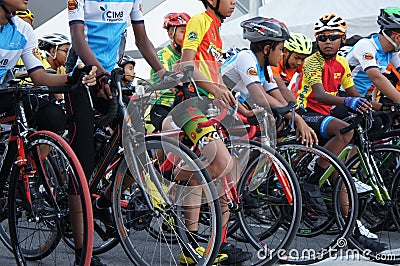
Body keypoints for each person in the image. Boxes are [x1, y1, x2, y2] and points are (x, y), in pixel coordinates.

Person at [67, 1, 169, 264]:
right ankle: (82, 251)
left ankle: (104, 202)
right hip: (82, 77)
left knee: (137, 145)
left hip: (110, 77)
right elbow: (78, 40)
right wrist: (98, 74)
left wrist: (165, 74)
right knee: (83, 162)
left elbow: (143, 40)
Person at [0, 1, 97, 265]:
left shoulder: (22, 29)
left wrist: (74, 78)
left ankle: (20, 175)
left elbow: (40, 77)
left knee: (52, 115)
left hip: (3, 93)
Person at [295, 13, 389, 252]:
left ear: (342, 39)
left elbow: (354, 93)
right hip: (307, 111)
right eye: (322, 38)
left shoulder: (343, 63)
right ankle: (313, 176)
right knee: (344, 130)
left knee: (356, 140)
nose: (327, 42)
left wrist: (381, 107)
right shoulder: (313, 61)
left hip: (325, 113)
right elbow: (319, 95)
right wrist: (349, 102)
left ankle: (351, 223)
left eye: (333, 38)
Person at [169, 0, 253, 264]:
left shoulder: (217, 29)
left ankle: (200, 247)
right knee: (220, 163)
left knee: (219, 175)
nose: (233, 3)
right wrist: (215, 89)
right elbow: (186, 66)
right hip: (190, 105)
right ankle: (172, 186)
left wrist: (236, 104)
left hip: (208, 107)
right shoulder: (200, 21)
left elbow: (211, 74)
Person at [221, 18, 318, 147]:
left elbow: (279, 98)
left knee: (275, 124)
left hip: (232, 109)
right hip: (214, 108)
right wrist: (296, 119)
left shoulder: (265, 67)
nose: (282, 54)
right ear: (267, 49)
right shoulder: (246, 57)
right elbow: (261, 97)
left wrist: (296, 118)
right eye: (281, 49)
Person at [149, 12, 191, 132]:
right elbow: (170, 79)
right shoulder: (162, 55)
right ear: (171, 33)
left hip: (184, 103)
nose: (187, 36)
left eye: (189, 32)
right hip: (163, 105)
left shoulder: (190, 55)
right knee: (171, 131)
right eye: (183, 32)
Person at [271, 32, 313, 100]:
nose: (299, 63)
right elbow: (282, 88)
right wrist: (295, 104)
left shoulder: (298, 63)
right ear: (285, 51)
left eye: (303, 59)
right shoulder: (275, 62)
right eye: (296, 57)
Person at [38, 33, 71, 102]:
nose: (68, 55)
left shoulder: (62, 69)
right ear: (53, 51)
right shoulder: (41, 67)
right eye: (66, 51)